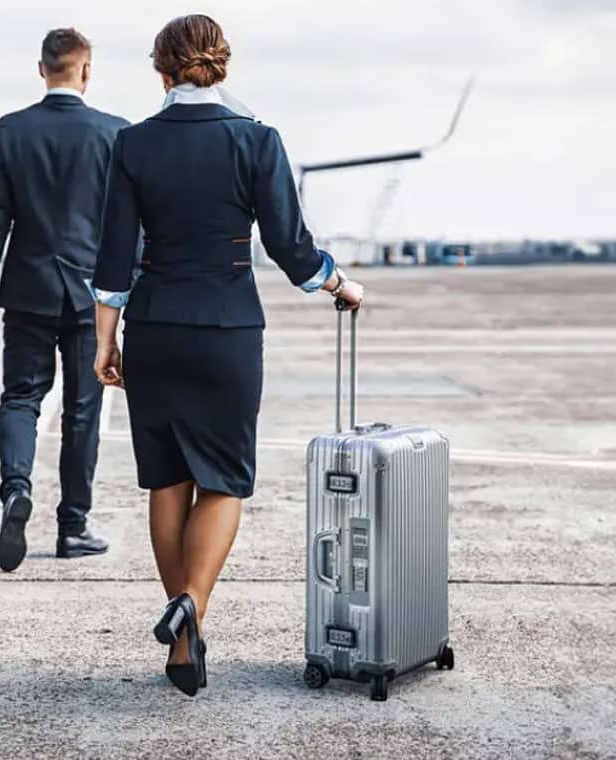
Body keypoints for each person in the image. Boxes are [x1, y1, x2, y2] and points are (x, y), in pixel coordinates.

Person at [90, 14, 365, 696]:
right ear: (222, 67)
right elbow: (293, 254)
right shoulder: (257, 141)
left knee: (165, 481)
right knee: (224, 480)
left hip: (154, 327)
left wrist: (105, 339)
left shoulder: (133, 144)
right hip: (228, 329)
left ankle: (184, 636)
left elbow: (113, 257)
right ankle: (195, 605)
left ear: (161, 69)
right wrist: (340, 283)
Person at [0, 28, 128, 572]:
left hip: (27, 289)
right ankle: (73, 526)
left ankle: (15, 489)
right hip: (89, 296)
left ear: (41, 69)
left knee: (20, 400)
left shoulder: (12, 130)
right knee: (84, 410)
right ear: (86, 70)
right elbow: (125, 227)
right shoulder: (113, 133)